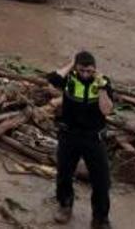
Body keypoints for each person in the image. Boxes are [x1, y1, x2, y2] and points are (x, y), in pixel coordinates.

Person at [47, 51, 114, 227]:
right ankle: (65, 205)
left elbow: (107, 110)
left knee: (102, 180)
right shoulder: (69, 79)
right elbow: (52, 79)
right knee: (64, 173)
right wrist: (71, 64)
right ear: (77, 69)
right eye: (82, 70)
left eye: (90, 71)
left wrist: (101, 89)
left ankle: (100, 217)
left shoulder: (103, 82)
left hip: (93, 138)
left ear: (95, 70)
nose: (85, 74)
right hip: (69, 135)